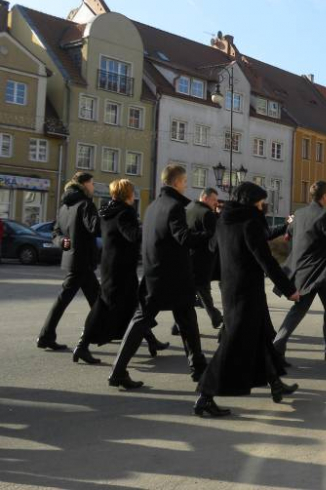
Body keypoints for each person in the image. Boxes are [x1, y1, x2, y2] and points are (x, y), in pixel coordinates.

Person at [194, 182, 302, 417]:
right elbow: (266, 260)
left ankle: (275, 383)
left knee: (262, 335)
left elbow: (212, 247)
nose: (262, 207)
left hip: (231, 288)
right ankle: (205, 395)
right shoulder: (250, 222)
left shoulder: (224, 220)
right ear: (251, 202)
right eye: (260, 203)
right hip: (246, 292)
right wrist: (289, 289)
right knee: (232, 344)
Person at [108, 165, 209, 389]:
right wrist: (209, 235)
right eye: (185, 182)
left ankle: (118, 371)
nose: (186, 186)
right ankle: (198, 369)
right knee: (185, 320)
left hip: (154, 272)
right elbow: (183, 237)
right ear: (176, 182)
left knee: (151, 320)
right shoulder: (175, 207)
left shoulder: (153, 206)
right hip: (173, 275)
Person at [75, 179, 168, 365]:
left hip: (111, 265)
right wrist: (150, 229)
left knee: (132, 305)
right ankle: (82, 345)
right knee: (106, 307)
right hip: (121, 269)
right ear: (128, 194)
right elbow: (132, 235)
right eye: (132, 191)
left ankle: (151, 340)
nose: (134, 194)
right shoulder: (124, 213)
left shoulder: (107, 211)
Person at [273, 180, 326, 364]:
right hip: (323, 273)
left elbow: (290, 232)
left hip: (303, 272)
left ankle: (277, 346)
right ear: (325, 196)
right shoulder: (325, 215)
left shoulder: (300, 213)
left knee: (298, 310)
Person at [37, 172, 100, 352]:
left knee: (96, 299)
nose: (93, 187)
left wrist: (63, 242)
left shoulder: (64, 207)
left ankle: (104, 331)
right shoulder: (86, 204)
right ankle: (46, 336)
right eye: (92, 183)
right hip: (82, 261)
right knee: (65, 300)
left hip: (73, 259)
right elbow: (95, 228)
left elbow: (55, 233)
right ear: (84, 184)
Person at [186, 188, 223, 330]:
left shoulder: (189, 208)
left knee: (194, 293)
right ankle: (215, 317)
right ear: (206, 198)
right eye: (214, 200)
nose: (216, 203)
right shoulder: (207, 214)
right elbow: (213, 237)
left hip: (189, 257)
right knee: (203, 290)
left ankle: (178, 325)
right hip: (203, 260)